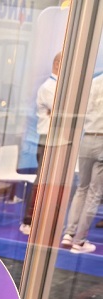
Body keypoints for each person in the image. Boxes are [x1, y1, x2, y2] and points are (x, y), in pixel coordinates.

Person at [60, 71, 103, 253]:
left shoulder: (93, 82)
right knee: (94, 193)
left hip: (87, 138)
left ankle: (69, 234)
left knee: (81, 189)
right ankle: (80, 240)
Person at [20, 53, 61, 236]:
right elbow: (61, 110)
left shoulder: (58, 87)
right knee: (42, 180)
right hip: (47, 140)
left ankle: (42, 219)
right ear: (58, 64)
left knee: (51, 182)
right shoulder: (48, 87)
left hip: (56, 140)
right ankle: (28, 220)